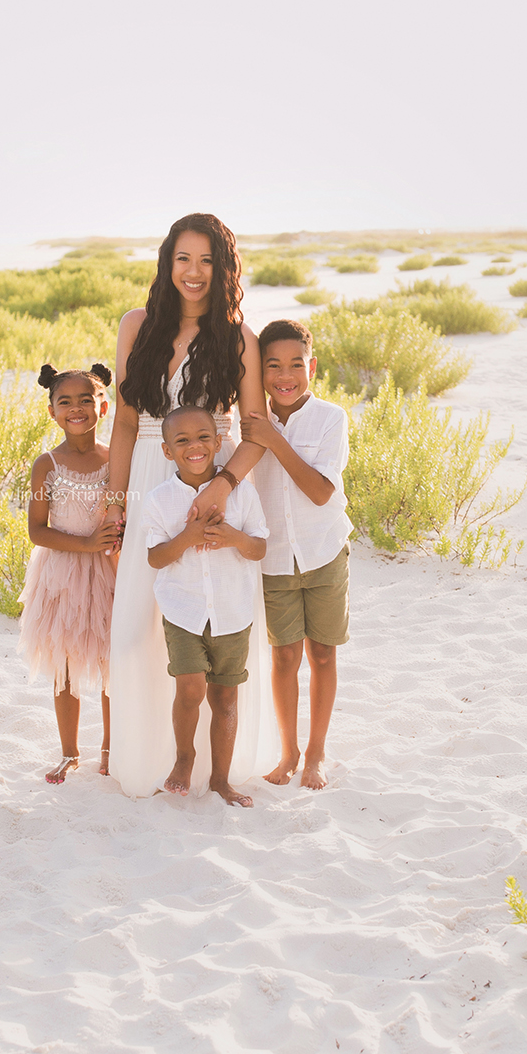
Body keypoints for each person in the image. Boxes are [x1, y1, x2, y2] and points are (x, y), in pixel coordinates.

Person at [103, 212, 280, 797]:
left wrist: (224, 485)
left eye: (207, 260)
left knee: (211, 616)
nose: (194, 272)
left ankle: (210, 770)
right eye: (184, 259)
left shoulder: (238, 339)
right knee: (136, 629)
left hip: (214, 485)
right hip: (149, 483)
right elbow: (127, 422)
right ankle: (146, 758)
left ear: (223, 268)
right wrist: (115, 502)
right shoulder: (137, 325)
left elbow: (254, 431)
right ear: (167, 263)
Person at [139, 407, 268, 805]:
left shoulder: (242, 493)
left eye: (202, 438)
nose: (193, 446)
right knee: (191, 689)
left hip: (232, 612)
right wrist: (189, 535)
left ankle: (221, 780)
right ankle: (184, 756)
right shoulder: (160, 500)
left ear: (217, 443)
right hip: (183, 610)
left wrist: (232, 537)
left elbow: (259, 547)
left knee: (226, 698)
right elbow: (155, 558)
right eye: (181, 441)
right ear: (166, 451)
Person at [242, 319, 351, 790]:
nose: (285, 376)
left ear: (312, 367)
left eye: (296, 365)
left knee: (322, 654)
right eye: (273, 366)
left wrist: (274, 440)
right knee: (284, 657)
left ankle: (316, 753)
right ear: (258, 371)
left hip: (324, 551)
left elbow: (320, 491)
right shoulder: (248, 423)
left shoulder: (331, 418)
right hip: (273, 558)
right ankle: (288, 753)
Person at [17, 363, 119, 783]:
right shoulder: (47, 465)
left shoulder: (116, 459)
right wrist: (84, 544)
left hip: (108, 569)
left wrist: (107, 543)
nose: (76, 409)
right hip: (61, 569)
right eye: (65, 402)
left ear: (104, 407)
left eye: (86, 400)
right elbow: (36, 531)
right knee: (64, 664)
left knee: (112, 661)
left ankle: (111, 747)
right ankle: (69, 751)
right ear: (52, 412)